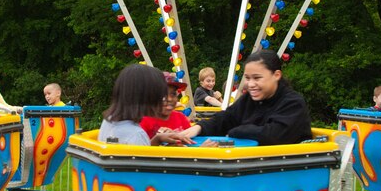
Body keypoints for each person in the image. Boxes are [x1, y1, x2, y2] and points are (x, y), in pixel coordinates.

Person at [181, 50, 311, 146]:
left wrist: (234, 132)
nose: (250, 84)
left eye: (257, 78)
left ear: (276, 75)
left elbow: (273, 136)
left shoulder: (293, 103)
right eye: (248, 78)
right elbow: (227, 117)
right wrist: (199, 127)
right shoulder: (249, 99)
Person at [99, 64, 192, 146]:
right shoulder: (136, 135)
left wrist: (157, 139)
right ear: (146, 96)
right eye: (159, 94)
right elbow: (148, 164)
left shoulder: (109, 121)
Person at [141, 73, 192, 141]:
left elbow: (191, 142)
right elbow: (139, 149)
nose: (169, 99)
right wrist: (158, 139)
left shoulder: (181, 117)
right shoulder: (143, 121)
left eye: (173, 94)